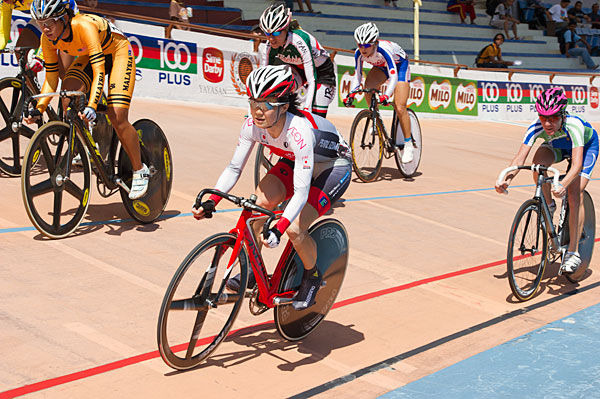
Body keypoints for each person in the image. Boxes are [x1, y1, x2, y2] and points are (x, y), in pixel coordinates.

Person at [191, 64, 351, 311]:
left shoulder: (299, 131)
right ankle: (255, 271)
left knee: (296, 229)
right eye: (253, 102)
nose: (257, 111)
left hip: (332, 167)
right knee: (256, 208)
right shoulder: (251, 125)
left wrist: (280, 227)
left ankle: (312, 278)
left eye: (265, 104)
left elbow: (300, 191)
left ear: (284, 106)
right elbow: (234, 169)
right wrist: (213, 199)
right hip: (294, 159)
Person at [24, 0, 149, 199]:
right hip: (90, 56)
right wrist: (38, 110)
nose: (45, 28)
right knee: (68, 96)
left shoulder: (83, 26)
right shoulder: (48, 39)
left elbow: (99, 71)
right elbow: (51, 78)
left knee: (117, 116)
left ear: (64, 18)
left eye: (49, 22)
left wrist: (91, 105)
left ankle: (140, 169)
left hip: (118, 53)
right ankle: (89, 146)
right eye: (41, 23)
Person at [496, 88, 599, 274]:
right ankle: (549, 205)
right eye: (543, 117)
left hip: (585, 147)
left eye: (552, 118)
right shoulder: (536, 126)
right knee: (537, 166)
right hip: (557, 146)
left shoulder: (574, 125)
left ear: (562, 115)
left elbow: (576, 166)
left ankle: (573, 252)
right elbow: (519, 160)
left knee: (575, 193)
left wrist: (562, 184)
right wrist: (506, 180)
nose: (547, 123)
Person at [344, 22, 414, 164]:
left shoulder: (384, 50)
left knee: (400, 106)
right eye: (360, 45)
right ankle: (374, 121)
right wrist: (351, 93)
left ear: (375, 43)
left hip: (399, 66)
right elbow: (357, 76)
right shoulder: (358, 53)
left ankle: (408, 144)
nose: (363, 49)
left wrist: (386, 95)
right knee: (368, 88)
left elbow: (393, 76)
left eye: (367, 45)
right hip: (381, 67)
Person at [259, 3, 335, 118]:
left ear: (285, 29)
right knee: (278, 86)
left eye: (276, 33)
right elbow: (263, 78)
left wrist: (307, 110)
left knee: (317, 116)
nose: (271, 39)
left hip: (321, 72)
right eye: (267, 33)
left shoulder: (299, 41)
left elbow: (311, 80)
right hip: (298, 69)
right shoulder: (269, 45)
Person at [0, 0, 78, 75]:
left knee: (63, 71)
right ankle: (31, 87)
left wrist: (40, 57)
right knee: (22, 52)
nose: (5, 1)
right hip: (43, 17)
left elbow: (52, 33)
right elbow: (2, 33)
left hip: (63, 16)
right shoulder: (4, 3)